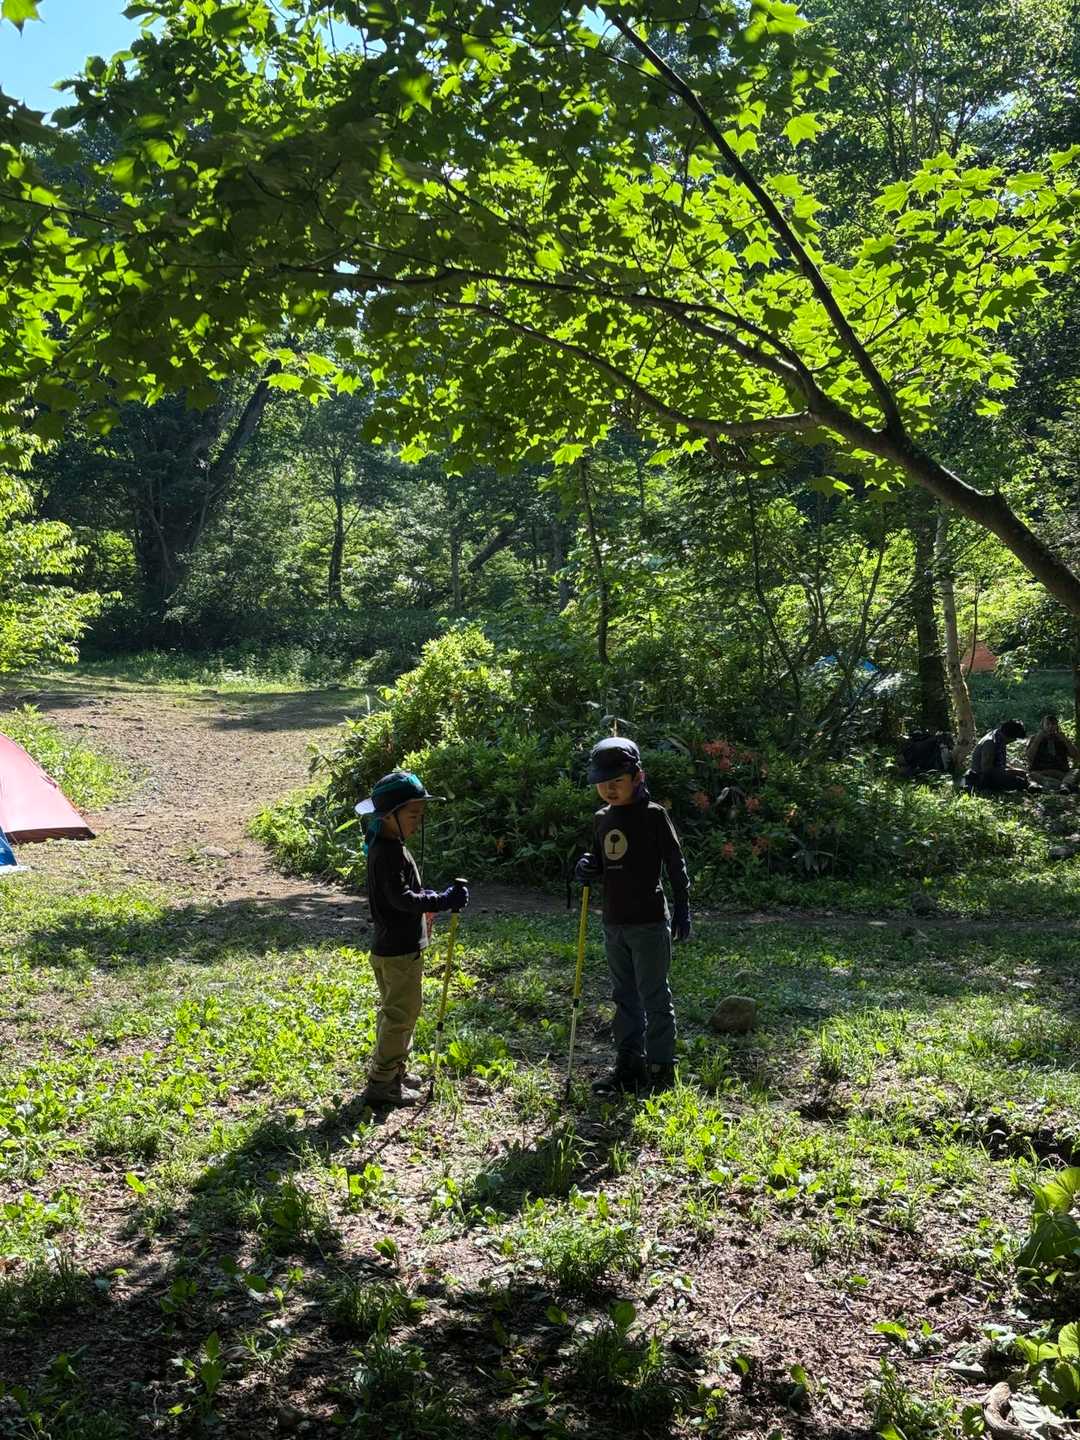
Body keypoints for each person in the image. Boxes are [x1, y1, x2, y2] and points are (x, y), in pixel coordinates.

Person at [574, 737, 691, 1096]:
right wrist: (586, 867)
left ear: (637, 776)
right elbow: (599, 863)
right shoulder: (602, 819)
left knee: (654, 996)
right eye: (602, 782)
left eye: (617, 781)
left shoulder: (654, 815)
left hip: (649, 922)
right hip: (614, 922)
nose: (609, 788)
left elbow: (675, 864)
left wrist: (683, 907)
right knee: (624, 996)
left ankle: (661, 1068)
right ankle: (629, 1063)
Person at [359, 770, 468, 1108]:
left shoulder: (389, 846)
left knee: (400, 1012)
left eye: (421, 814)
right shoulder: (387, 853)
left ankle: (393, 1071)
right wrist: (441, 900)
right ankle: (382, 1083)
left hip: (395, 948)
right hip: (398, 950)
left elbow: (405, 892)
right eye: (413, 814)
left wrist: (431, 897)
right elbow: (402, 899)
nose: (418, 821)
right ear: (388, 816)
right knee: (400, 1016)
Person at [963, 718, 1032, 794]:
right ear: (1009, 736)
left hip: (990, 776)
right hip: (980, 779)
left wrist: (1016, 771)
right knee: (1021, 783)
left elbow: (998, 764)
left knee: (1023, 779)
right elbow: (987, 770)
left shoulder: (998, 737)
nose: (1014, 741)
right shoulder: (990, 743)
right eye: (1015, 738)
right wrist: (1013, 772)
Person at [1026, 713, 1080, 791]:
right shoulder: (1034, 738)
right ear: (1042, 726)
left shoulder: (1061, 739)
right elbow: (1029, 758)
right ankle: (1062, 785)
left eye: (1053, 724)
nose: (1051, 726)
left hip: (1061, 773)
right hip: (1041, 772)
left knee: (1076, 771)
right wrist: (1037, 740)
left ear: (1057, 726)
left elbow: (1076, 756)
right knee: (1031, 775)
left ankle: (1063, 785)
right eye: (1048, 724)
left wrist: (1066, 740)